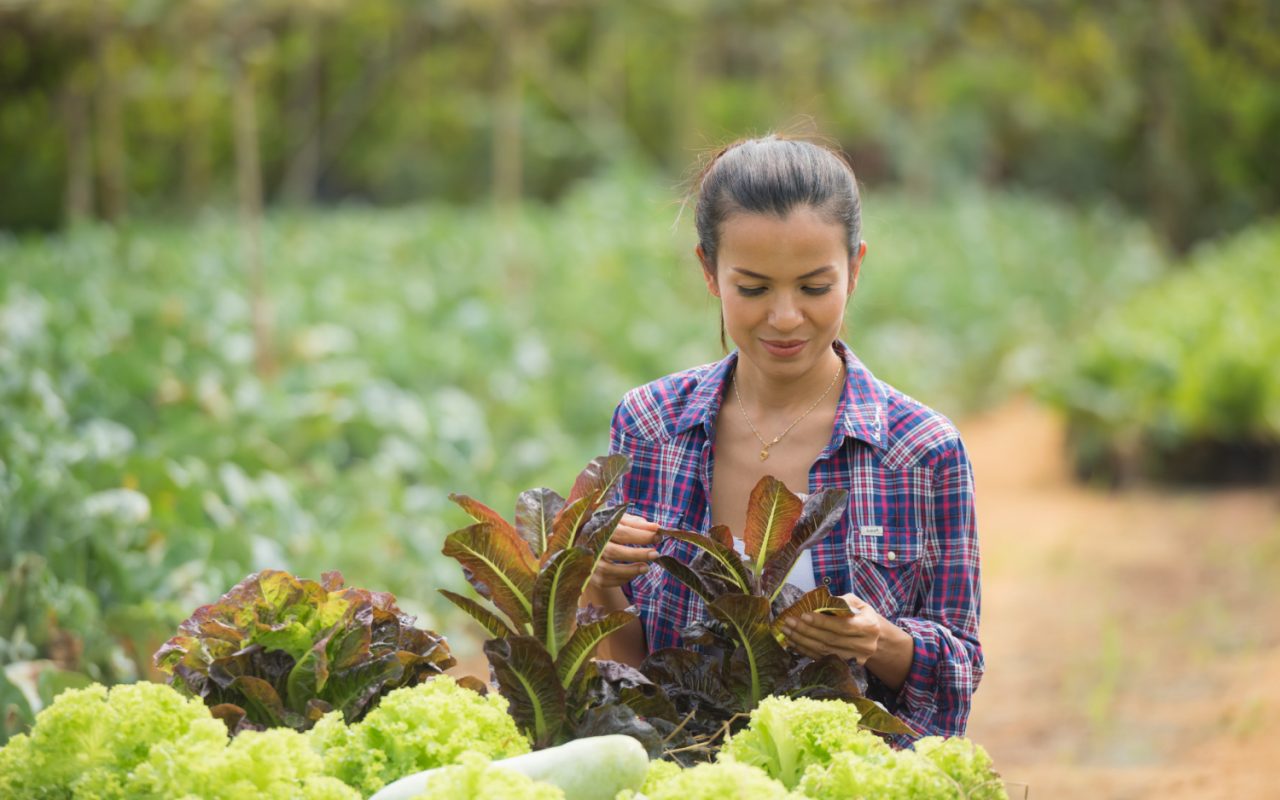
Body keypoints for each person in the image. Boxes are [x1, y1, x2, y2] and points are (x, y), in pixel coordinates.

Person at [580, 135, 982, 741]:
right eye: (754, 288)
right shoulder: (649, 426)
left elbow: (961, 667)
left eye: (815, 288)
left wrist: (878, 641)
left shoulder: (920, 450)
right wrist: (601, 582)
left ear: (856, 267)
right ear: (709, 272)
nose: (787, 317)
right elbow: (630, 677)